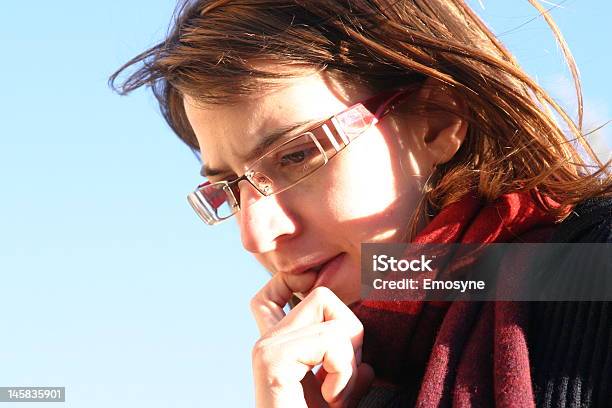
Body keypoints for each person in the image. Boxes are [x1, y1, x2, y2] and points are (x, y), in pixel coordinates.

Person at [109, 0, 611, 406]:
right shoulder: (344, 379)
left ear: (435, 119)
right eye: (231, 189)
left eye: (298, 155)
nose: (255, 234)